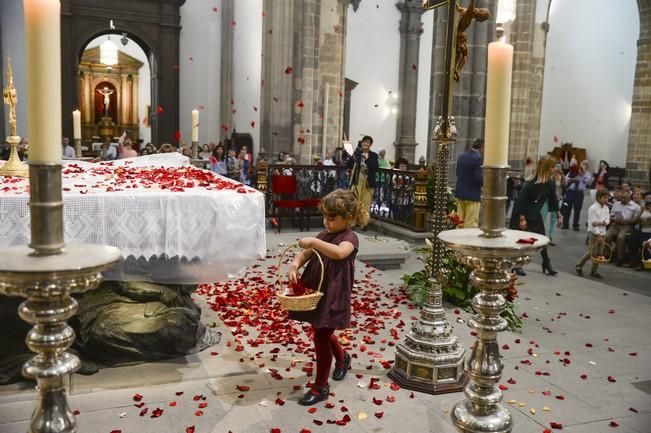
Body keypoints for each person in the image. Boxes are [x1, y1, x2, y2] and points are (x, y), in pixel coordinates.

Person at [287, 189, 368, 405]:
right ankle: (343, 358)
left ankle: (321, 385)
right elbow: (305, 254)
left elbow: (339, 253)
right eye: (324, 217)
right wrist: (295, 264)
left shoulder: (349, 238)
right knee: (321, 328)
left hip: (334, 294)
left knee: (321, 336)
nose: (326, 222)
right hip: (317, 290)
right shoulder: (323, 236)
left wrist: (314, 243)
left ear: (348, 218)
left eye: (331, 218)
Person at [510, 155, 562, 276]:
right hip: (521, 212)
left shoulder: (550, 181)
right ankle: (517, 264)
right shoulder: (532, 183)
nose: (555, 169)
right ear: (546, 168)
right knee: (523, 240)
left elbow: (553, 199)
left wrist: (559, 214)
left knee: (542, 238)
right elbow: (521, 201)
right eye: (552, 167)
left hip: (534, 213)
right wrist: (522, 219)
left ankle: (546, 262)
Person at [575, 189, 610, 279]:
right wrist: (598, 234)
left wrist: (600, 223)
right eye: (604, 198)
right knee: (592, 251)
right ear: (598, 198)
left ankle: (594, 271)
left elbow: (607, 221)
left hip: (603, 232)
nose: (606, 200)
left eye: (607, 198)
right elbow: (592, 223)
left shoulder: (606, 208)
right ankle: (579, 265)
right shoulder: (593, 208)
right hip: (594, 233)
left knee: (599, 252)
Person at [347, 135, 378, 229]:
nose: (365, 144)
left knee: (366, 203)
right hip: (357, 180)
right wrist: (354, 156)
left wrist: (367, 159)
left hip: (368, 181)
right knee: (355, 201)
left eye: (368, 142)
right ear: (361, 143)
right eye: (364, 142)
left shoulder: (373, 155)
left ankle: (363, 223)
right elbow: (349, 164)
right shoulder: (358, 153)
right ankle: (352, 223)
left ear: (370, 145)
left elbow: (374, 167)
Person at [605, 189, 641, 266]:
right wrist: (614, 219)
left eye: (624, 197)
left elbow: (635, 221)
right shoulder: (616, 204)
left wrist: (626, 221)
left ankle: (620, 258)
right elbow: (611, 215)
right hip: (615, 224)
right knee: (607, 236)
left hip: (627, 225)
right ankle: (607, 255)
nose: (622, 199)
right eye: (621, 198)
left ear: (629, 196)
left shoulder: (636, 207)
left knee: (621, 237)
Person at [454, 138, 483, 228]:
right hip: (472, 196)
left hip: (460, 194)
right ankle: (466, 242)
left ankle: (457, 241)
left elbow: (457, 173)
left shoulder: (462, 156)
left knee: (459, 222)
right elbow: (477, 178)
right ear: (482, 147)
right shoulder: (478, 159)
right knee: (470, 224)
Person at [562, 159, 591, 231]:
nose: (584, 166)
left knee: (577, 209)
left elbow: (586, 181)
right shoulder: (573, 171)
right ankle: (565, 224)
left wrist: (582, 175)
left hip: (579, 193)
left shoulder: (588, 174)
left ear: (587, 167)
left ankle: (575, 225)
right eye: (583, 164)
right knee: (567, 208)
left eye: (586, 165)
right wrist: (573, 178)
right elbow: (566, 178)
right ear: (580, 165)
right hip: (570, 192)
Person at [542, 163, 566, 245]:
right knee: (543, 218)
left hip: (558, 200)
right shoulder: (549, 179)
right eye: (555, 171)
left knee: (553, 220)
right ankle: (542, 236)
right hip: (547, 201)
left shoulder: (562, 178)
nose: (557, 173)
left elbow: (563, 190)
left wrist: (562, 199)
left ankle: (550, 238)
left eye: (558, 171)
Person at [627, 192, 651, 270]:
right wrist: (641, 211)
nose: (648, 200)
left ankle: (643, 263)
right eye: (646, 199)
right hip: (641, 231)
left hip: (649, 233)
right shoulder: (641, 208)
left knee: (645, 243)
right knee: (631, 239)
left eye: (650, 199)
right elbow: (634, 221)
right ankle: (635, 262)